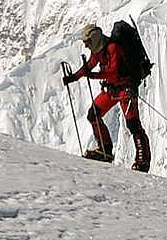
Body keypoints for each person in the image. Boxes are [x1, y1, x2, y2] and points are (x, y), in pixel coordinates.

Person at [62, 23, 151, 172]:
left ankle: (142, 160)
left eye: (87, 42)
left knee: (133, 124)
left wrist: (93, 75)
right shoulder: (99, 50)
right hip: (113, 90)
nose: (86, 46)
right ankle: (105, 151)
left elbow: (113, 72)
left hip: (125, 90)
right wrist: (74, 77)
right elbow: (89, 65)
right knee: (93, 115)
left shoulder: (113, 48)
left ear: (94, 39)